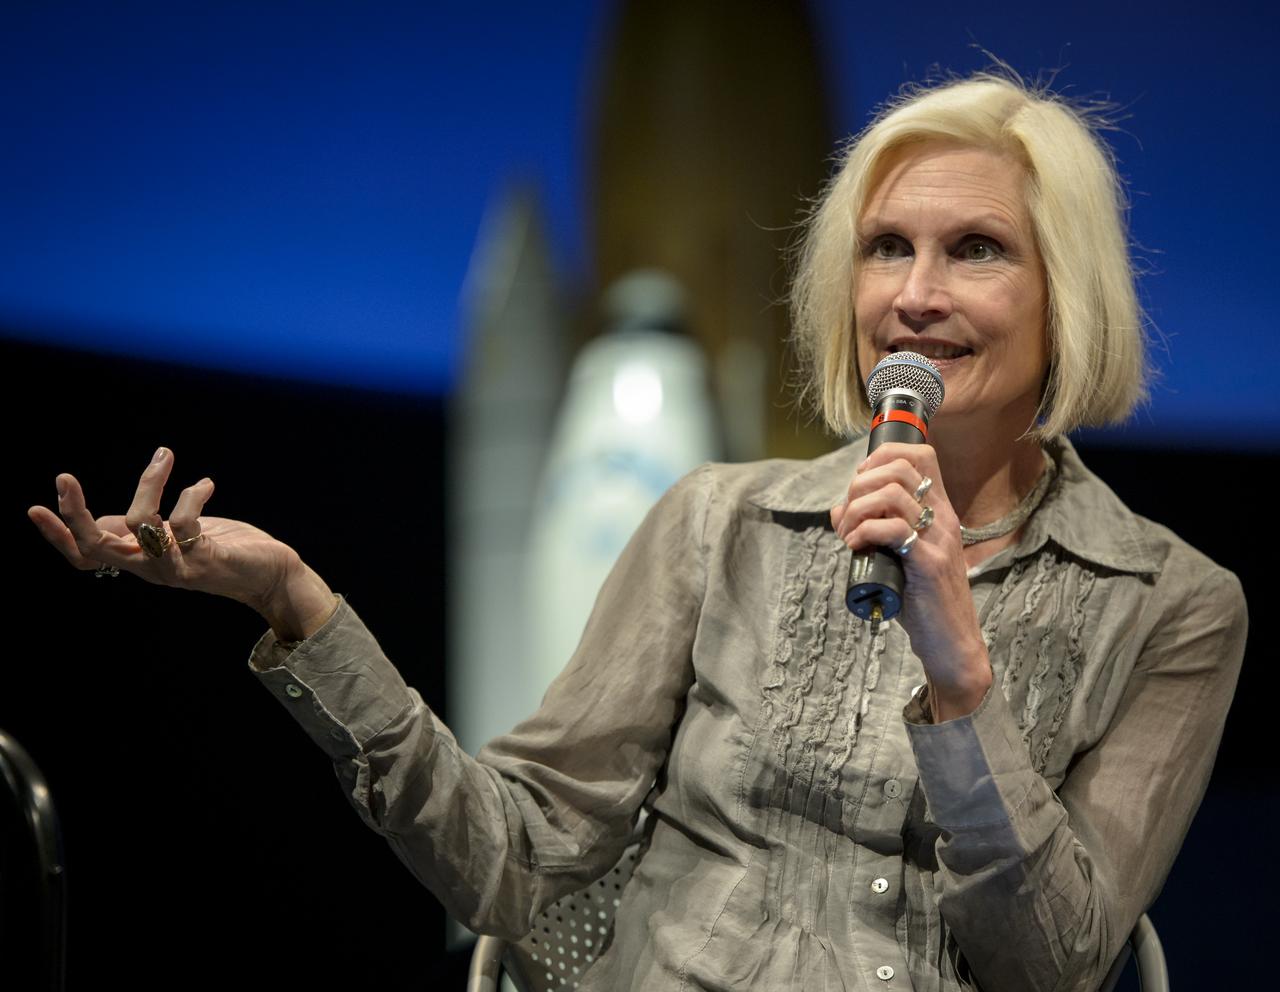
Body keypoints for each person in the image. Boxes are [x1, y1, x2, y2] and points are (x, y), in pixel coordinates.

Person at [28, 72, 1246, 991]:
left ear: (1065, 293)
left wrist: (959, 674)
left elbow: (1061, 963)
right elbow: (513, 855)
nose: (913, 293)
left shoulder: (1171, 602)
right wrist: (295, 599)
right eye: (886, 247)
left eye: (973, 249)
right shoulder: (722, 523)